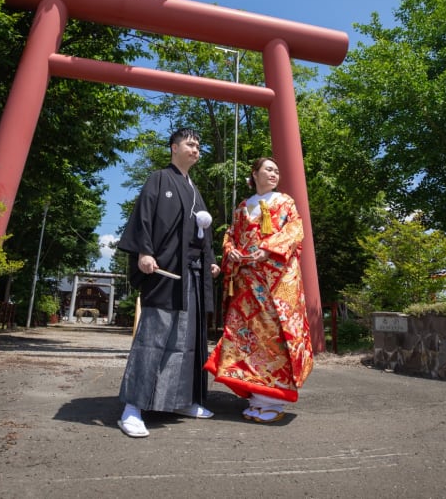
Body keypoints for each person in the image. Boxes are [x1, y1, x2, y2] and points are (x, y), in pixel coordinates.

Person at [115, 128, 220, 438]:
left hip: (192, 274)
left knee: (188, 341)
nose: (196, 149)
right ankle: (133, 407)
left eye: (199, 145)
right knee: (154, 337)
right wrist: (144, 251)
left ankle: (181, 400)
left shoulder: (195, 190)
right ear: (174, 148)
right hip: (166, 270)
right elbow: (144, 215)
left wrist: (210, 258)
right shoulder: (159, 179)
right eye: (190, 144)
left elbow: (203, 233)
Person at [204, 157, 314, 422]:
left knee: (274, 337)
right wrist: (232, 253)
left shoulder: (285, 202)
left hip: (275, 281)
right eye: (268, 169)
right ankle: (257, 397)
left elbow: (295, 230)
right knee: (247, 336)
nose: (275, 173)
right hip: (248, 281)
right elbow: (231, 235)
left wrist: (264, 251)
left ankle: (274, 400)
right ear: (254, 174)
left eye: (277, 170)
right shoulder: (243, 207)